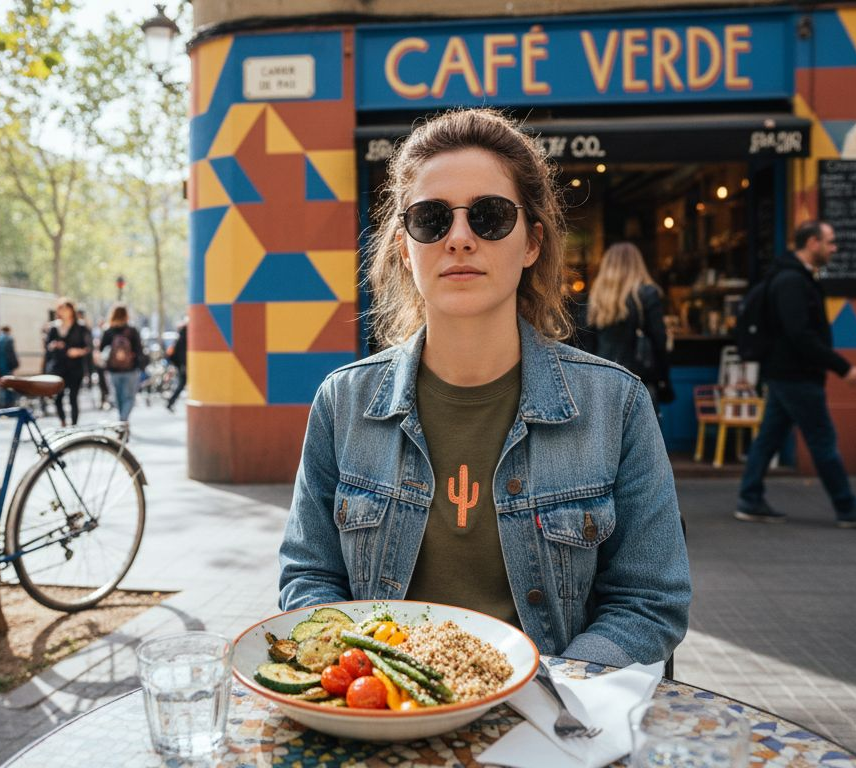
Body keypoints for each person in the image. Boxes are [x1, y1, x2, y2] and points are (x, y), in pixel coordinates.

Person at [277, 109, 690, 668]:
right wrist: (368, 677)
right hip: (388, 705)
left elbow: (649, 602)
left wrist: (551, 690)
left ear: (532, 243)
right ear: (404, 248)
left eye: (490, 216)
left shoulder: (615, 405)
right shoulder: (342, 403)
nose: (459, 239)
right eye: (430, 219)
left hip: (553, 712)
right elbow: (309, 576)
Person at [735, 221, 856, 528]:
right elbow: (800, 334)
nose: (834, 248)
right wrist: (843, 367)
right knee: (822, 440)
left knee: (769, 438)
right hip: (796, 374)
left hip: (787, 372)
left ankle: (750, 498)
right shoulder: (792, 281)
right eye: (830, 242)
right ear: (812, 243)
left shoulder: (794, 276)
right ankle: (846, 505)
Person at [586, 242, 672, 413]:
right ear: (638, 264)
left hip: (603, 384)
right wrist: (663, 379)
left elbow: (587, 345)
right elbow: (659, 342)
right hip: (640, 383)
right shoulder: (647, 294)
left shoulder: (596, 298)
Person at [44, 298, 91, 427]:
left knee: (73, 397)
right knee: (58, 397)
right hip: (58, 367)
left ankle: (74, 425)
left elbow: (88, 347)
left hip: (75, 367)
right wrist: (53, 345)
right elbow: (47, 347)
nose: (64, 311)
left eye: (66, 309)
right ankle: (63, 422)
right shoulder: (53, 327)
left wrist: (78, 352)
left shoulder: (81, 327)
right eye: (61, 309)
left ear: (71, 310)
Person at [100, 304, 145, 424]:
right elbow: (139, 349)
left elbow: (101, 349)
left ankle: (121, 421)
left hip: (113, 370)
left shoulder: (108, 331)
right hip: (131, 369)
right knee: (129, 397)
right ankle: (123, 420)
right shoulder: (132, 330)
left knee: (117, 397)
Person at [165, 317, 188, 411]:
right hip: (184, 365)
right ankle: (171, 402)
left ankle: (171, 402)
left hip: (182, 364)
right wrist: (183, 365)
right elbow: (182, 353)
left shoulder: (181, 336)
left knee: (181, 384)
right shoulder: (185, 336)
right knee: (181, 384)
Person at [0, 325, 20, 407]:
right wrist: (15, 365)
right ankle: (8, 406)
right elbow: (11, 354)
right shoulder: (8, 339)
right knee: (8, 387)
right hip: (6, 367)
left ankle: (0, 405)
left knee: (0, 386)